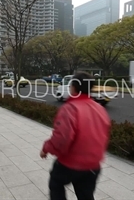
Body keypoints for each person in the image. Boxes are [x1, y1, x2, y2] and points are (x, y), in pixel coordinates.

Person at [40, 71, 111, 200]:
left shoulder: (70, 108)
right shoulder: (100, 109)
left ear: (73, 87)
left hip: (70, 163)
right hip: (93, 165)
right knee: (86, 195)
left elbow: (62, 138)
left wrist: (46, 148)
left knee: (56, 183)